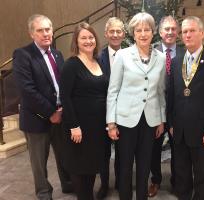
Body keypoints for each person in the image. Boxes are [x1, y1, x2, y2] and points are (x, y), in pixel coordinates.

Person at [106, 12, 166, 200]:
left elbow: (160, 91)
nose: (143, 33)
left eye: (146, 29)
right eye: (138, 30)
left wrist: (161, 120)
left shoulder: (160, 58)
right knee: (124, 166)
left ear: (152, 32)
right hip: (125, 120)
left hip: (150, 121)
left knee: (144, 165)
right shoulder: (123, 56)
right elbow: (113, 91)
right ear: (133, 33)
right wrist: (111, 123)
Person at [13, 14, 72, 200]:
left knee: (64, 155)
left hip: (60, 116)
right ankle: (44, 193)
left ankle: (68, 184)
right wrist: (50, 112)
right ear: (32, 34)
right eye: (40, 30)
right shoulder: (23, 55)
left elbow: (62, 84)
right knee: (39, 162)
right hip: (37, 119)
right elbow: (27, 90)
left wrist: (63, 108)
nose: (45, 33)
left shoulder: (57, 53)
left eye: (48, 29)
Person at [168, 16, 204, 200]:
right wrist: (170, 123)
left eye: (192, 30)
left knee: (203, 174)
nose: (187, 34)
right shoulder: (177, 61)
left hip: (203, 132)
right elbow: (171, 95)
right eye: (184, 31)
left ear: (202, 33)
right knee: (181, 172)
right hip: (179, 130)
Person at [60, 22, 109, 200]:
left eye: (91, 37)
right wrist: (74, 126)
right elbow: (65, 97)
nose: (88, 41)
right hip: (79, 128)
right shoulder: (71, 64)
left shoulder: (98, 62)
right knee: (80, 170)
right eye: (83, 38)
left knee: (91, 169)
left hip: (96, 128)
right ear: (76, 41)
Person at [148, 15, 184, 197]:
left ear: (177, 32)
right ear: (160, 32)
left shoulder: (186, 52)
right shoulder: (151, 52)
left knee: (178, 146)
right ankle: (155, 180)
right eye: (166, 29)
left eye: (173, 29)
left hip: (179, 109)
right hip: (156, 107)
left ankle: (177, 181)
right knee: (155, 148)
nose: (170, 32)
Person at [97, 17, 125, 199]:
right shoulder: (96, 58)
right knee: (103, 152)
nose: (115, 35)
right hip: (101, 113)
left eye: (118, 31)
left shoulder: (131, 55)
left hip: (124, 113)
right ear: (106, 34)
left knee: (123, 151)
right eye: (111, 31)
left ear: (123, 34)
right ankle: (104, 184)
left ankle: (122, 182)